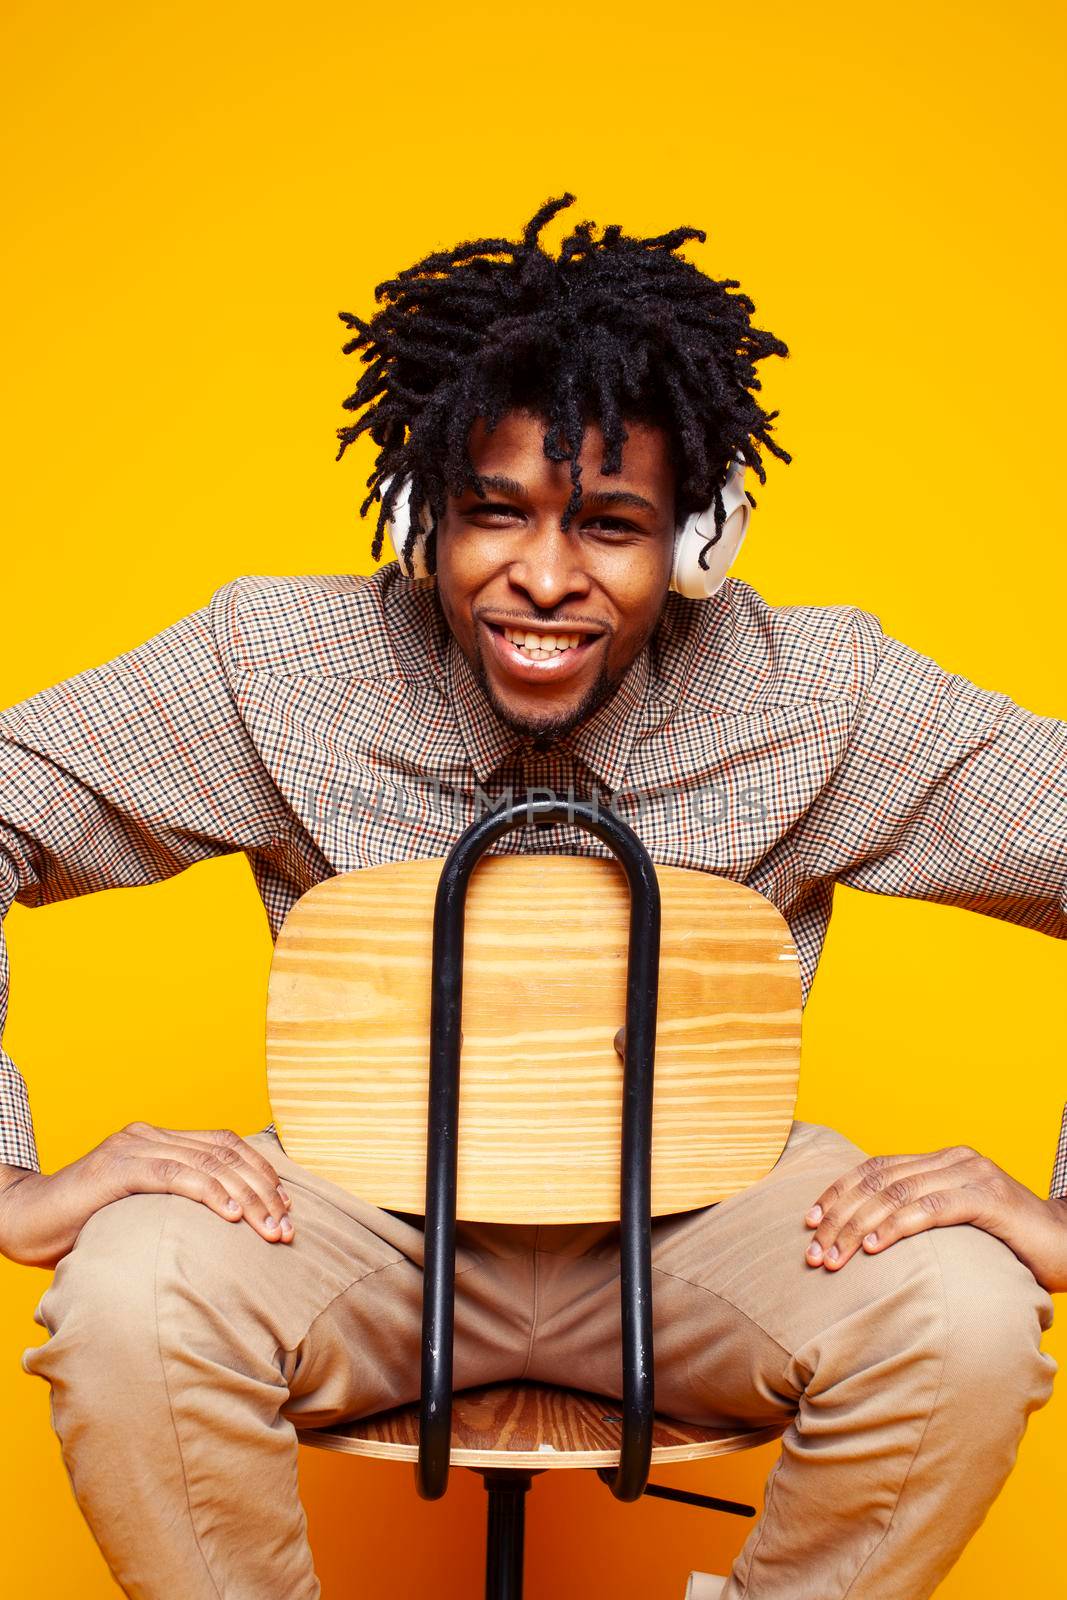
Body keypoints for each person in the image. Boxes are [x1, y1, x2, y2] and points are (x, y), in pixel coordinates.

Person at [0, 194, 1064, 1600]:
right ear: (413, 512)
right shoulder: (277, 667)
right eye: (493, 511)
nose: (544, 577)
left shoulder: (824, 697)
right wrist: (10, 1181)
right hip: (359, 1219)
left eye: (611, 524)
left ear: (699, 543)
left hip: (706, 1229)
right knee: (127, 1295)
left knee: (974, 1317)